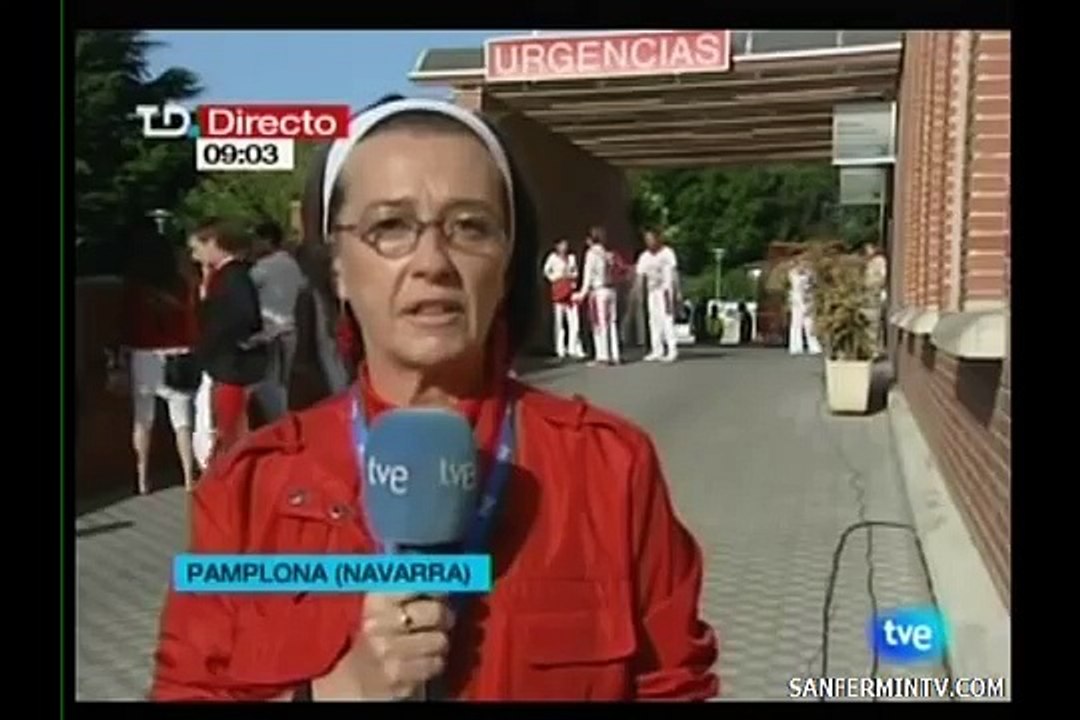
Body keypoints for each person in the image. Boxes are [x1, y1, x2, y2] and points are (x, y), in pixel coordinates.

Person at [152, 96, 718, 702]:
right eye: (390, 226)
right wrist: (337, 692)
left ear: (507, 264)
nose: (433, 262)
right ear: (336, 266)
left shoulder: (609, 468)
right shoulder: (248, 488)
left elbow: (674, 686)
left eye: (470, 226)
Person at [119, 220, 199, 493]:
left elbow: (128, 325)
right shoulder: (181, 284)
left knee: (143, 419)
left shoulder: (135, 287)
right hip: (179, 354)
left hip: (145, 354)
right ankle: (188, 476)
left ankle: (143, 477)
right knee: (182, 419)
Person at [187, 219, 269, 460]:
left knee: (227, 428)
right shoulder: (228, 274)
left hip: (229, 363)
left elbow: (244, 316)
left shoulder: (232, 276)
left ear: (213, 243)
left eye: (197, 248)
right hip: (227, 361)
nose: (194, 256)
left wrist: (222, 339)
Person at [249, 220, 308, 421]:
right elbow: (303, 287)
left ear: (267, 240)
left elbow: (246, 286)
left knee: (269, 383)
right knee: (283, 381)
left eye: (256, 240)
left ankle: (279, 421)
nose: (253, 245)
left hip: (269, 331)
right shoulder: (292, 264)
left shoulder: (263, 267)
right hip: (290, 328)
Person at [574, 226, 621, 366]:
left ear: (590, 240)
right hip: (611, 290)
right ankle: (615, 354)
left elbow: (587, 276)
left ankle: (603, 355)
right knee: (612, 322)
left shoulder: (591, 254)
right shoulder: (608, 254)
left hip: (598, 290)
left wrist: (581, 294)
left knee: (599, 323)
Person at [635, 230, 679, 362]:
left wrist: (677, 291)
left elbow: (674, 272)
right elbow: (640, 276)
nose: (649, 242)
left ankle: (672, 349)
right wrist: (639, 293)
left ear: (657, 239)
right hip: (652, 291)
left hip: (665, 290)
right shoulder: (644, 257)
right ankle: (657, 350)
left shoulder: (667, 253)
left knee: (667, 319)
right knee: (654, 321)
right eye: (646, 240)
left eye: (651, 239)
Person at [541, 237, 585, 360]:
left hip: (570, 290)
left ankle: (574, 347)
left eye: (565, 245)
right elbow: (546, 272)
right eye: (562, 245)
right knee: (559, 322)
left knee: (574, 322)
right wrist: (556, 277)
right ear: (557, 246)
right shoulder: (552, 258)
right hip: (559, 291)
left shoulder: (571, 258)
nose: (564, 247)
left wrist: (571, 275)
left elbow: (576, 272)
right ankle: (560, 348)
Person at [787, 258, 822, 356]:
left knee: (809, 323)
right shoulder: (793, 273)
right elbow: (797, 286)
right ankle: (795, 347)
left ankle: (813, 346)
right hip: (797, 300)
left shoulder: (809, 273)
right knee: (796, 324)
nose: (803, 265)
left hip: (807, 300)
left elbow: (813, 284)